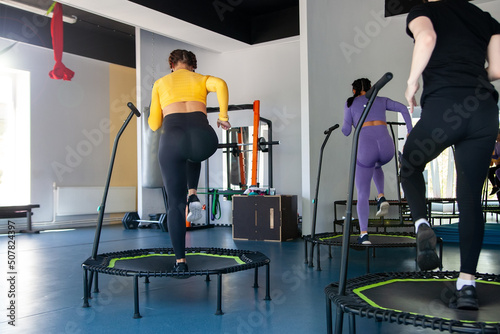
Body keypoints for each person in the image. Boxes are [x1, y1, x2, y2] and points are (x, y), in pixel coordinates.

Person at [403, 0, 500, 310]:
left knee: (409, 166)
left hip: (444, 108)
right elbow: (497, 68)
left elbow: (427, 38)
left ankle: (421, 224)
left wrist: (411, 81)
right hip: (484, 110)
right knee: (470, 197)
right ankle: (468, 284)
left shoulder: (423, 11)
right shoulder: (485, 18)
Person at [149, 49, 231, 273]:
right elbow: (221, 84)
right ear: (193, 66)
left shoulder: (161, 83)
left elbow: (155, 124)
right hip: (204, 138)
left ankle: (180, 263)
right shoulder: (202, 79)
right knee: (193, 153)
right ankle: (193, 191)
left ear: (172, 65)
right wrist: (223, 116)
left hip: (173, 137)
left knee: (175, 204)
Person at [342, 78, 413, 245]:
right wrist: (410, 131)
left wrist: (350, 122)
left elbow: (345, 131)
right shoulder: (380, 100)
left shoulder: (350, 103)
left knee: (362, 193)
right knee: (376, 164)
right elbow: (403, 108)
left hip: (366, 148)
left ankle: (364, 234)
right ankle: (381, 196)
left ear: (354, 91)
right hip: (387, 147)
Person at [487, 130, 500, 196]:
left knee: (492, 171)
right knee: (490, 172)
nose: (497, 137)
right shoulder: (496, 144)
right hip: (498, 165)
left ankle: (495, 187)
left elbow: (497, 156)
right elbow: (495, 155)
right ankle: (495, 187)